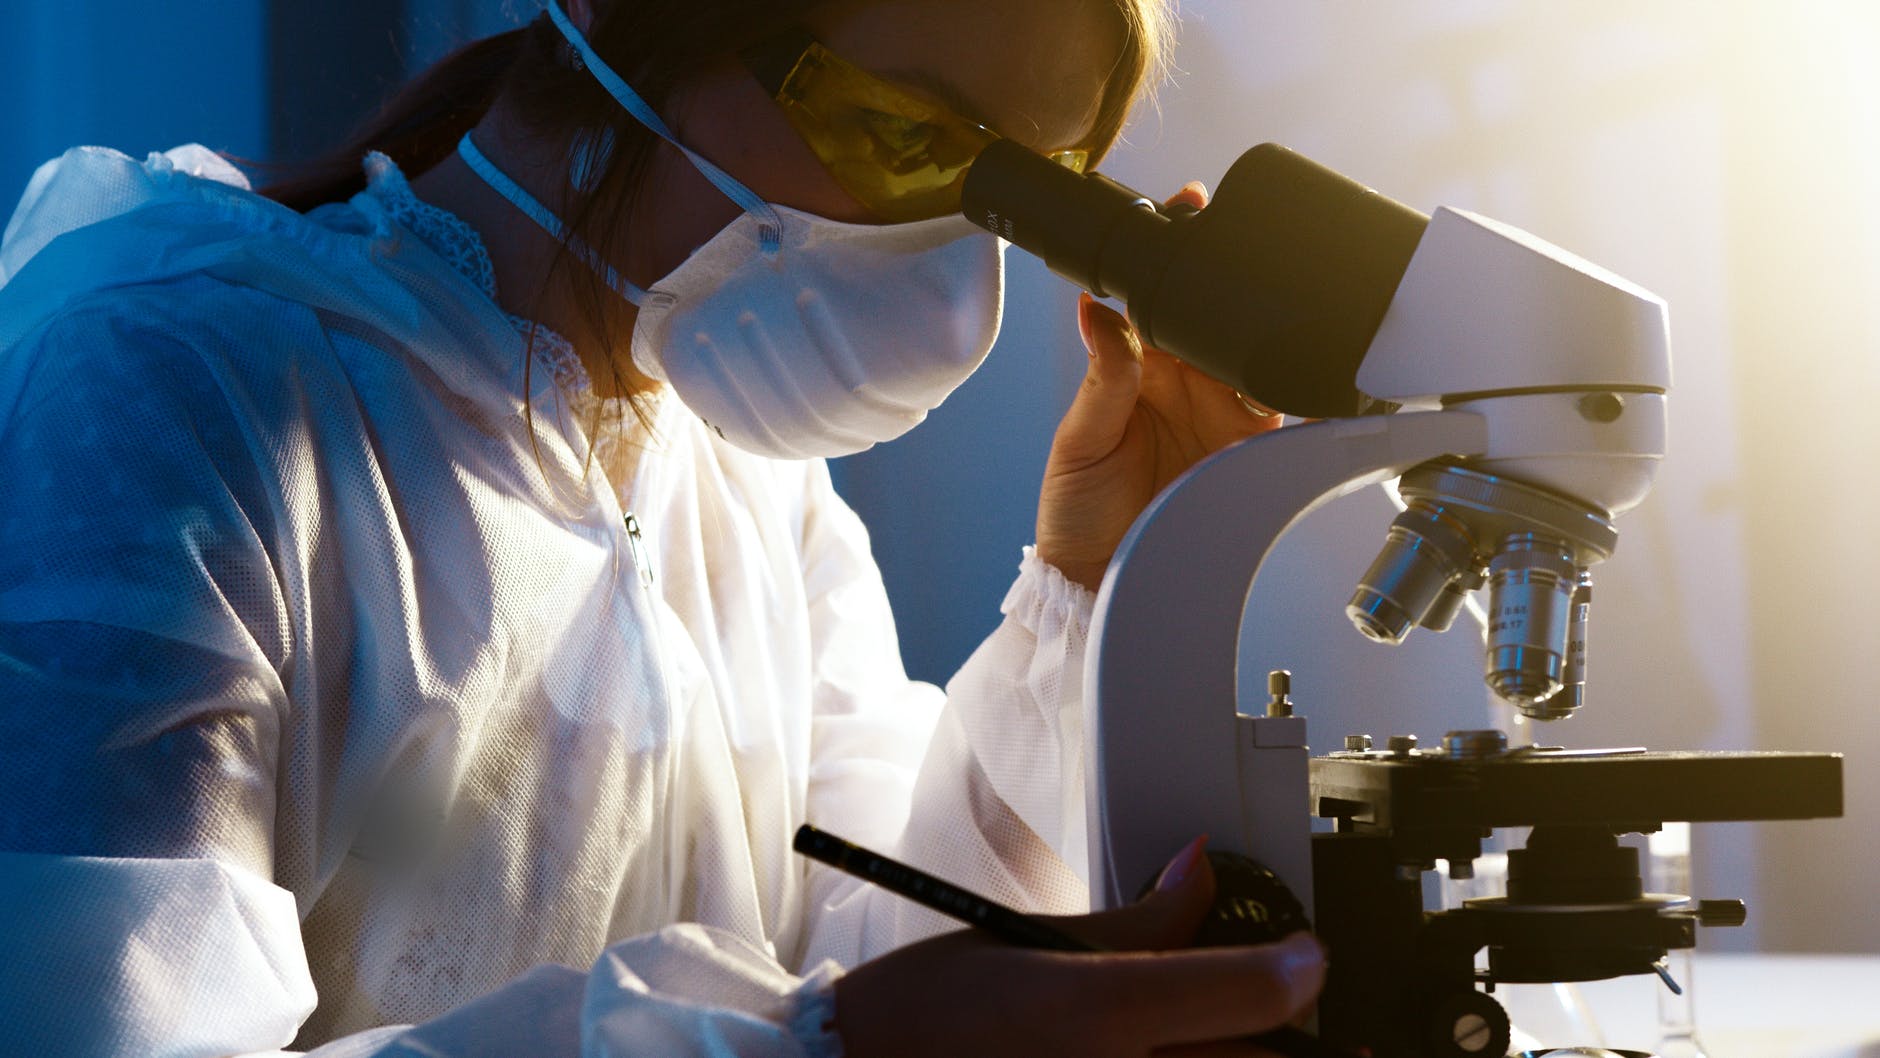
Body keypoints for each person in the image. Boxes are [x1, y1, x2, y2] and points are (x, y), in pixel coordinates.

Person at [0, 0, 1321, 1053]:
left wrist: (1083, 587)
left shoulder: (747, 474)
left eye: (1027, 200)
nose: (953, 272)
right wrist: (809, 1044)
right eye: (915, 136)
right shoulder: (171, 396)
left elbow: (897, 948)